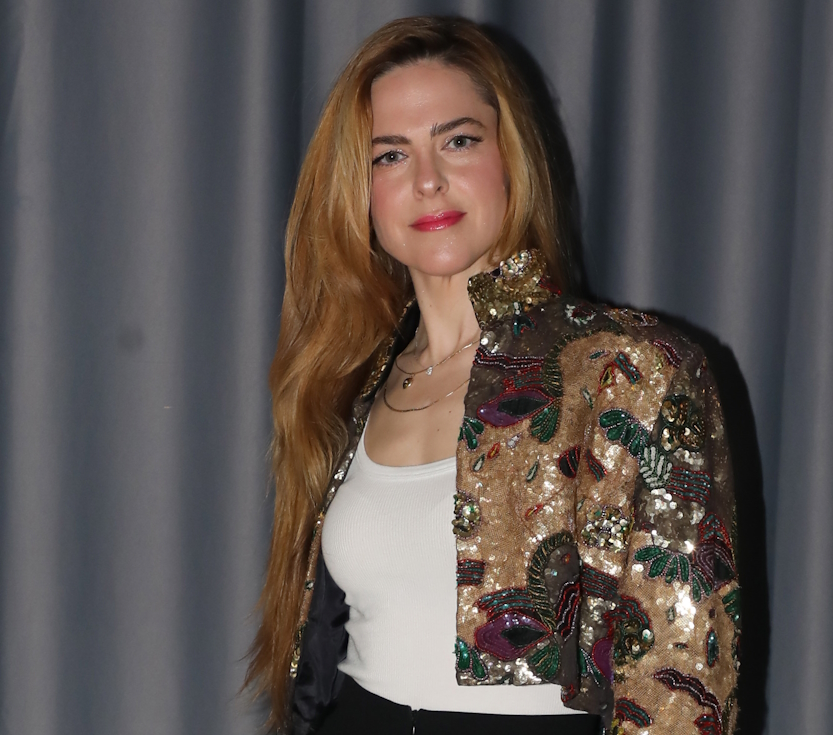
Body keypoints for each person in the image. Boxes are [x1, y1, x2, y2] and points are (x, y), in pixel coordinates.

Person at [246, 15, 740, 735]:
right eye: (390, 155)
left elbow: (683, 688)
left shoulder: (627, 372)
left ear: (511, 156)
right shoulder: (349, 383)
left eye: (458, 140)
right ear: (361, 190)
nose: (427, 180)